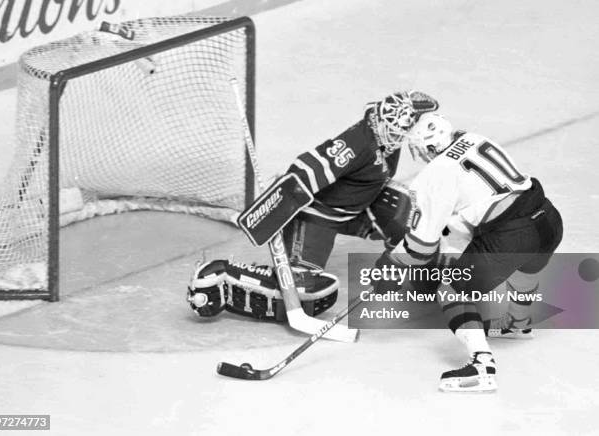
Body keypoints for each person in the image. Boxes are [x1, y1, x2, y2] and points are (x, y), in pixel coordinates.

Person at [188, 91, 439, 321]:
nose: (398, 139)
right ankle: (222, 275)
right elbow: (306, 169)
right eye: (394, 132)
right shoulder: (357, 144)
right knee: (301, 291)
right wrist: (276, 204)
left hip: (360, 206)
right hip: (316, 216)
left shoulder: (394, 122)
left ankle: (424, 280)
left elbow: (417, 105)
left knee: (410, 214)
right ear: (379, 123)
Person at [375, 112, 563, 392]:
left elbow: (422, 246)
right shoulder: (474, 139)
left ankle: (481, 365)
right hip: (547, 218)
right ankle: (519, 323)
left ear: (426, 148)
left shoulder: (435, 174)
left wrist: (392, 264)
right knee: (523, 264)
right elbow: (466, 215)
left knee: (450, 289)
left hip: (512, 236)